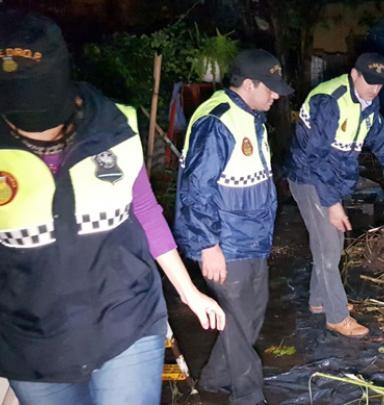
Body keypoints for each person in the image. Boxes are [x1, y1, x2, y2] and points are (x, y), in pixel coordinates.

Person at [0, 10, 225, 405]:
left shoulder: (115, 126)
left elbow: (145, 210)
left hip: (127, 320)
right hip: (32, 343)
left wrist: (189, 292)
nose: (39, 131)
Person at [174, 49, 293, 404]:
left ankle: (214, 378)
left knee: (251, 315)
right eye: (270, 88)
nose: (275, 96)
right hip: (226, 244)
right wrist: (208, 246)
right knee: (239, 325)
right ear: (250, 84)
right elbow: (196, 191)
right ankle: (248, 396)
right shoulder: (218, 122)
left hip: (252, 238)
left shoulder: (251, 116)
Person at [286, 52, 384, 338]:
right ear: (354, 74)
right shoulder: (330, 101)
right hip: (309, 178)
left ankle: (320, 300)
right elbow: (315, 159)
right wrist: (332, 203)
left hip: (329, 180)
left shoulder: (368, 104)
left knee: (328, 244)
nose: (374, 89)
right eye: (369, 82)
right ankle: (337, 317)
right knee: (329, 247)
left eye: (380, 84)